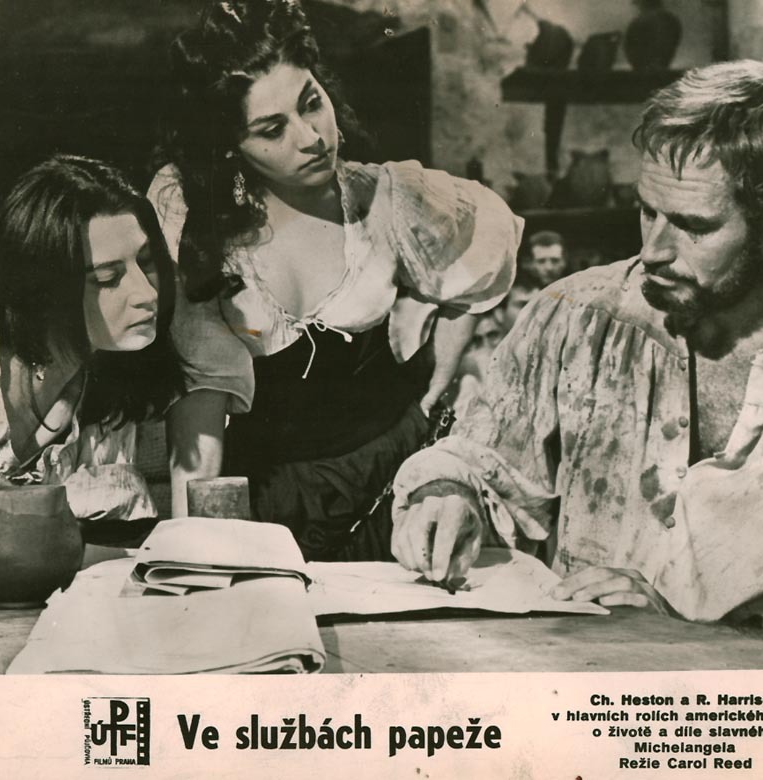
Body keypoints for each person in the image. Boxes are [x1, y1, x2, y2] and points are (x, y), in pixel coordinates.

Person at [391, 60, 763, 667]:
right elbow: (482, 456)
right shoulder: (575, 315)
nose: (654, 250)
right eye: (647, 211)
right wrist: (448, 490)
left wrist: (690, 637)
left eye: (693, 226)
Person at [148, 0, 520, 561]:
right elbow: (198, 393)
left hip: (391, 484)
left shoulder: (390, 200)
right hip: (271, 498)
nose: (311, 137)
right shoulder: (193, 213)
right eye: (272, 129)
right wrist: (192, 546)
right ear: (229, 144)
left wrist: (431, 396)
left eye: (311, 103)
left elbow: (476, 269)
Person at [0, 155, 183, 586]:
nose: (146, 293)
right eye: (108, 278)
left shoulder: (95, 376)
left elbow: (67, 547)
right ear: (43, 288)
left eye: (145, 262)